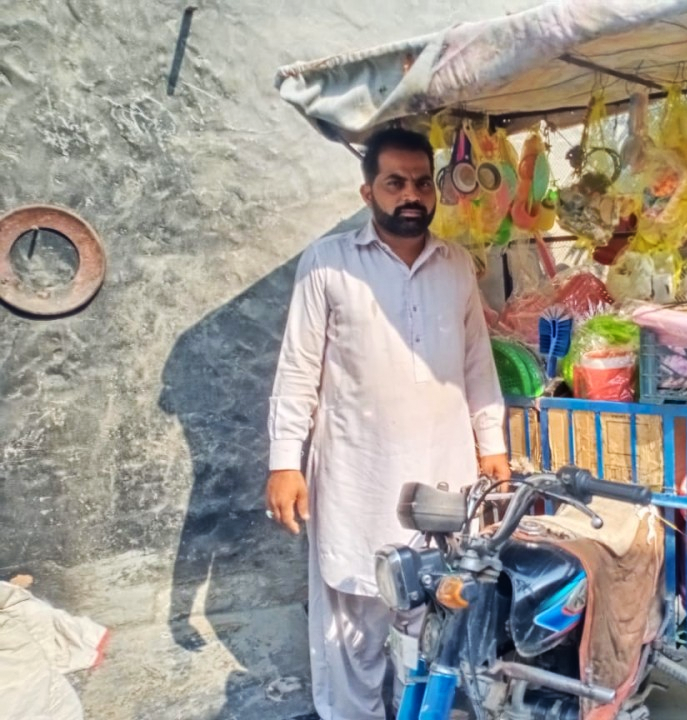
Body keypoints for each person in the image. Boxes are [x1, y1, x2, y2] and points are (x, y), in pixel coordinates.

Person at [265, 127, 510, 720]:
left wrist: (493, 448)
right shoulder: (328, 263)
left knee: (435, 618)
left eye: (422, 183)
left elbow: (478, 364)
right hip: (357, 477)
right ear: (367, 189)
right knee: (353, 623)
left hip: (444, 477)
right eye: (395, 182)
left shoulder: (456, 267)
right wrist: (282, 463)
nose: (411, 195)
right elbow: (298, 369)